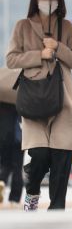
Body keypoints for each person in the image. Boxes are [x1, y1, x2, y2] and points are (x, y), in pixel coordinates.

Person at [6, 0, 72, 211]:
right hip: (34, 99)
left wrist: (58, 46)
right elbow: (11, 59)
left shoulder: (66, 27)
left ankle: (57, 208)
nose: (48, 0)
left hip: (62, 99)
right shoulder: (22, 26)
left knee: (61, 157)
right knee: (39, 155)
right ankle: (32, 189)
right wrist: (40, 54)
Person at [0, 68, 22, 206]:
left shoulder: (2, 90)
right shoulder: (21, 90)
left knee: (4, 165)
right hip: (19, 135)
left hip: (3, 136)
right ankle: (14, 199)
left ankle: (1, 182)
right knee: (17, 168)